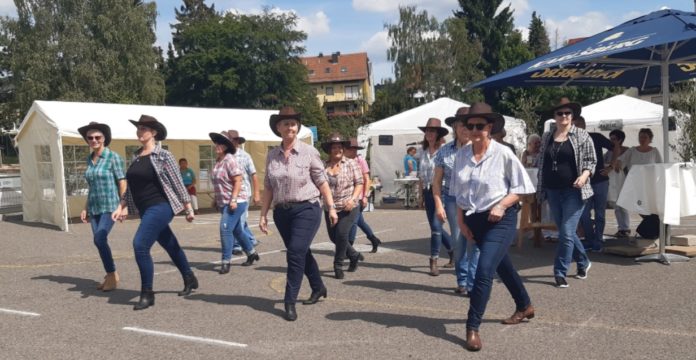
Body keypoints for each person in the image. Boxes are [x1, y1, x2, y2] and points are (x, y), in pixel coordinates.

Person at [450, 102, 536, 352]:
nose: (475, 129)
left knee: (484, 270)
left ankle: (472, 327)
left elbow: (522, 188)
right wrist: (461, 221)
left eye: (480, 125)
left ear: (489, 127)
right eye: (470, 125)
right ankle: (524, 305)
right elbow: (457, 193)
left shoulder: (503, 153)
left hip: (501, 218)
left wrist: (501, 205)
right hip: (474, 220)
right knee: (502, 265)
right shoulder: (461, 156)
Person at [259, 106, 338, 321]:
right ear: (278, 128)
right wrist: (263, 214)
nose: (289, 127)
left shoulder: (309, 152)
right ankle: (318, 286)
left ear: (297, 127)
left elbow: (322, 183)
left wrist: (331, 208)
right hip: (282, 213)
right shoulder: (272, 155)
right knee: (301, 251)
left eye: (293, 123)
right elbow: (268, 187)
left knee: (294, 252)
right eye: (285, 123)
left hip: (307, 208)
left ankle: (289, 300)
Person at [111, 115, 198, 311]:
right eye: (138, 128)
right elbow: (131, 188)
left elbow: (177, 182)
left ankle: (147, 293)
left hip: (161, 206)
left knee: (140, 244)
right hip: (144, 209)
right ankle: (189, 277)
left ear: (154, 133)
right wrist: (121, 206)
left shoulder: (163, 156)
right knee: (169, 243)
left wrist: (188, 207)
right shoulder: (136, 156)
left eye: (144, 128)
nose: (139, 131)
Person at [537, 99, 596, 289]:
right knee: (565, 231)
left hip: (574, 190)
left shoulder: (581, 135)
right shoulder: (547, 136)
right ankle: (583, 262)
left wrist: (584, 175)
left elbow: (590, 160)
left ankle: (560, 272)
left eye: (567, 113)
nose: (564, 116)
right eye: (560, 113)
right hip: (552, 189)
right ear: (554, 117)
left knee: (567, 232)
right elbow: (542, 161)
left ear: (572, 116)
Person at [434, 107, 480, 296]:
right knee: (458, 240)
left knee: (475, 241)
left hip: (476, 200)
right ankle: (462, 280)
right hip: (452, 199)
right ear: (455, 127)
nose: (465, 128)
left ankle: (472, 281)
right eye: (461, 124)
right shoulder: (445, 151)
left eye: (469, 124)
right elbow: (436, 181)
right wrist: (438, 203)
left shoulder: (481, 148)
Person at [78, 122, 127, 292]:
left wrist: (123, 206)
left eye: (97, 137)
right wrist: (85, 207)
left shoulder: (114, 157)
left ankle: (112, 274)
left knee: (99, 238)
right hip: (94, 207)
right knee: (100, 242)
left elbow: (122, 182)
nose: (94, 140)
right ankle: (110, 274)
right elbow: (92, 186)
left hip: (110, 206)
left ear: (104, 138)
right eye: (90, 138)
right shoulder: (89, 159)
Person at [209, 130, 259, 275]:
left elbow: (238, 180)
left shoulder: (230, 159)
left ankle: (226, 261)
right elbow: (220, 183)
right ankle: (251, 253)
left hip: (237, 201)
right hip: (224, 201)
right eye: (216, 143)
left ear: (226, 146)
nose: (217, 146)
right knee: (237, 230)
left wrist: (234, 199)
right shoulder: (218, 161)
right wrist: (215, 199)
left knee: (225, 229)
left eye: (220, 143)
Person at [321, 133, 364, 279]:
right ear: (329, 150)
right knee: (334, 238)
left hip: (349, 206)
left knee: (341, 234)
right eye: (334, 147)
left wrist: (353, 199)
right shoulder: (323, 165)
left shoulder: (351, 163)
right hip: (330, 207)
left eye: (340, 147)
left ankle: (337, 265)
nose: (337, 150)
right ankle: (354, 255)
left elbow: (359, 183)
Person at [574, 116, 618, 252]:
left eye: (579, 125)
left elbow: (615, 147)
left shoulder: (596, 137)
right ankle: (590, 239)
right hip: (584, 182)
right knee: (584, 214)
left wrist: (611, 165)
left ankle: (597, 241)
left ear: (584, 125)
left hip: (600, 180)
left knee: (600, 213)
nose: (577, 128)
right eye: (575, 126)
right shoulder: (571, 140)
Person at [418, 117, 453, 276]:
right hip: (427, 191)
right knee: (435, 227)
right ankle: (453, 251)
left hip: (441, 192)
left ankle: (433, 260)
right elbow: (421, 176)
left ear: (438, 134)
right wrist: (420, 196)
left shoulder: (444, 150)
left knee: (436, 226)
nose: (429, 133)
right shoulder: (423, 152)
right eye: (427, 131)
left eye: (432, 131)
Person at [613, 128, 662, 241]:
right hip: (635, 185)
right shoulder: (632, 150)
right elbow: (621, 160)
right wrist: (618, 163)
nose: (642, 139)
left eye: (645, 137)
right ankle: (651, 226)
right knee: (639, 207)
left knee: (650, 208)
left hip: (650, 185)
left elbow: (660, 166)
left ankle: (653, 229)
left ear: (650, 139)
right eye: (640, 136)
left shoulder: (654, 151)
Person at [344, 138, 382, 253]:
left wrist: (365, 196)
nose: (354, 151)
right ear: (346, 149)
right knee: (360, 221)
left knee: (353, 222)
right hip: (347, 196)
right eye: (351, 149)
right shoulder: (343, 161)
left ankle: (349, 248)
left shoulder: (360, 160)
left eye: (356, 149)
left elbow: (366, 179)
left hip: (359, 196)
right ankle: (374, 239)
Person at [229, 130, 261, 255]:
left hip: (243, 193)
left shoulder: (245, 156)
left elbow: (254, 175)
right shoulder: (224, 156)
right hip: (229, 193)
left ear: (237, 141)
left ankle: (237, 245)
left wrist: (257, 193)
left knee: (238, 220)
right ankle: (251, 239)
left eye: (232, 140)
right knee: (240, 220)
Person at [603, 129, 630, 238]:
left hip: (623, 180)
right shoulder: (609, 152)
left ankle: (625, 228)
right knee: (616, 205)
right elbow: (603, 162)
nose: (611, 141)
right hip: (611, 181)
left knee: (622, 204)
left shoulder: (628, 151)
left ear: (620, 140)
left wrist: (616, 165)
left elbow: (625, 165)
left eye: (614, 139)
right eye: (610, 139)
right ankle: (622, 228)